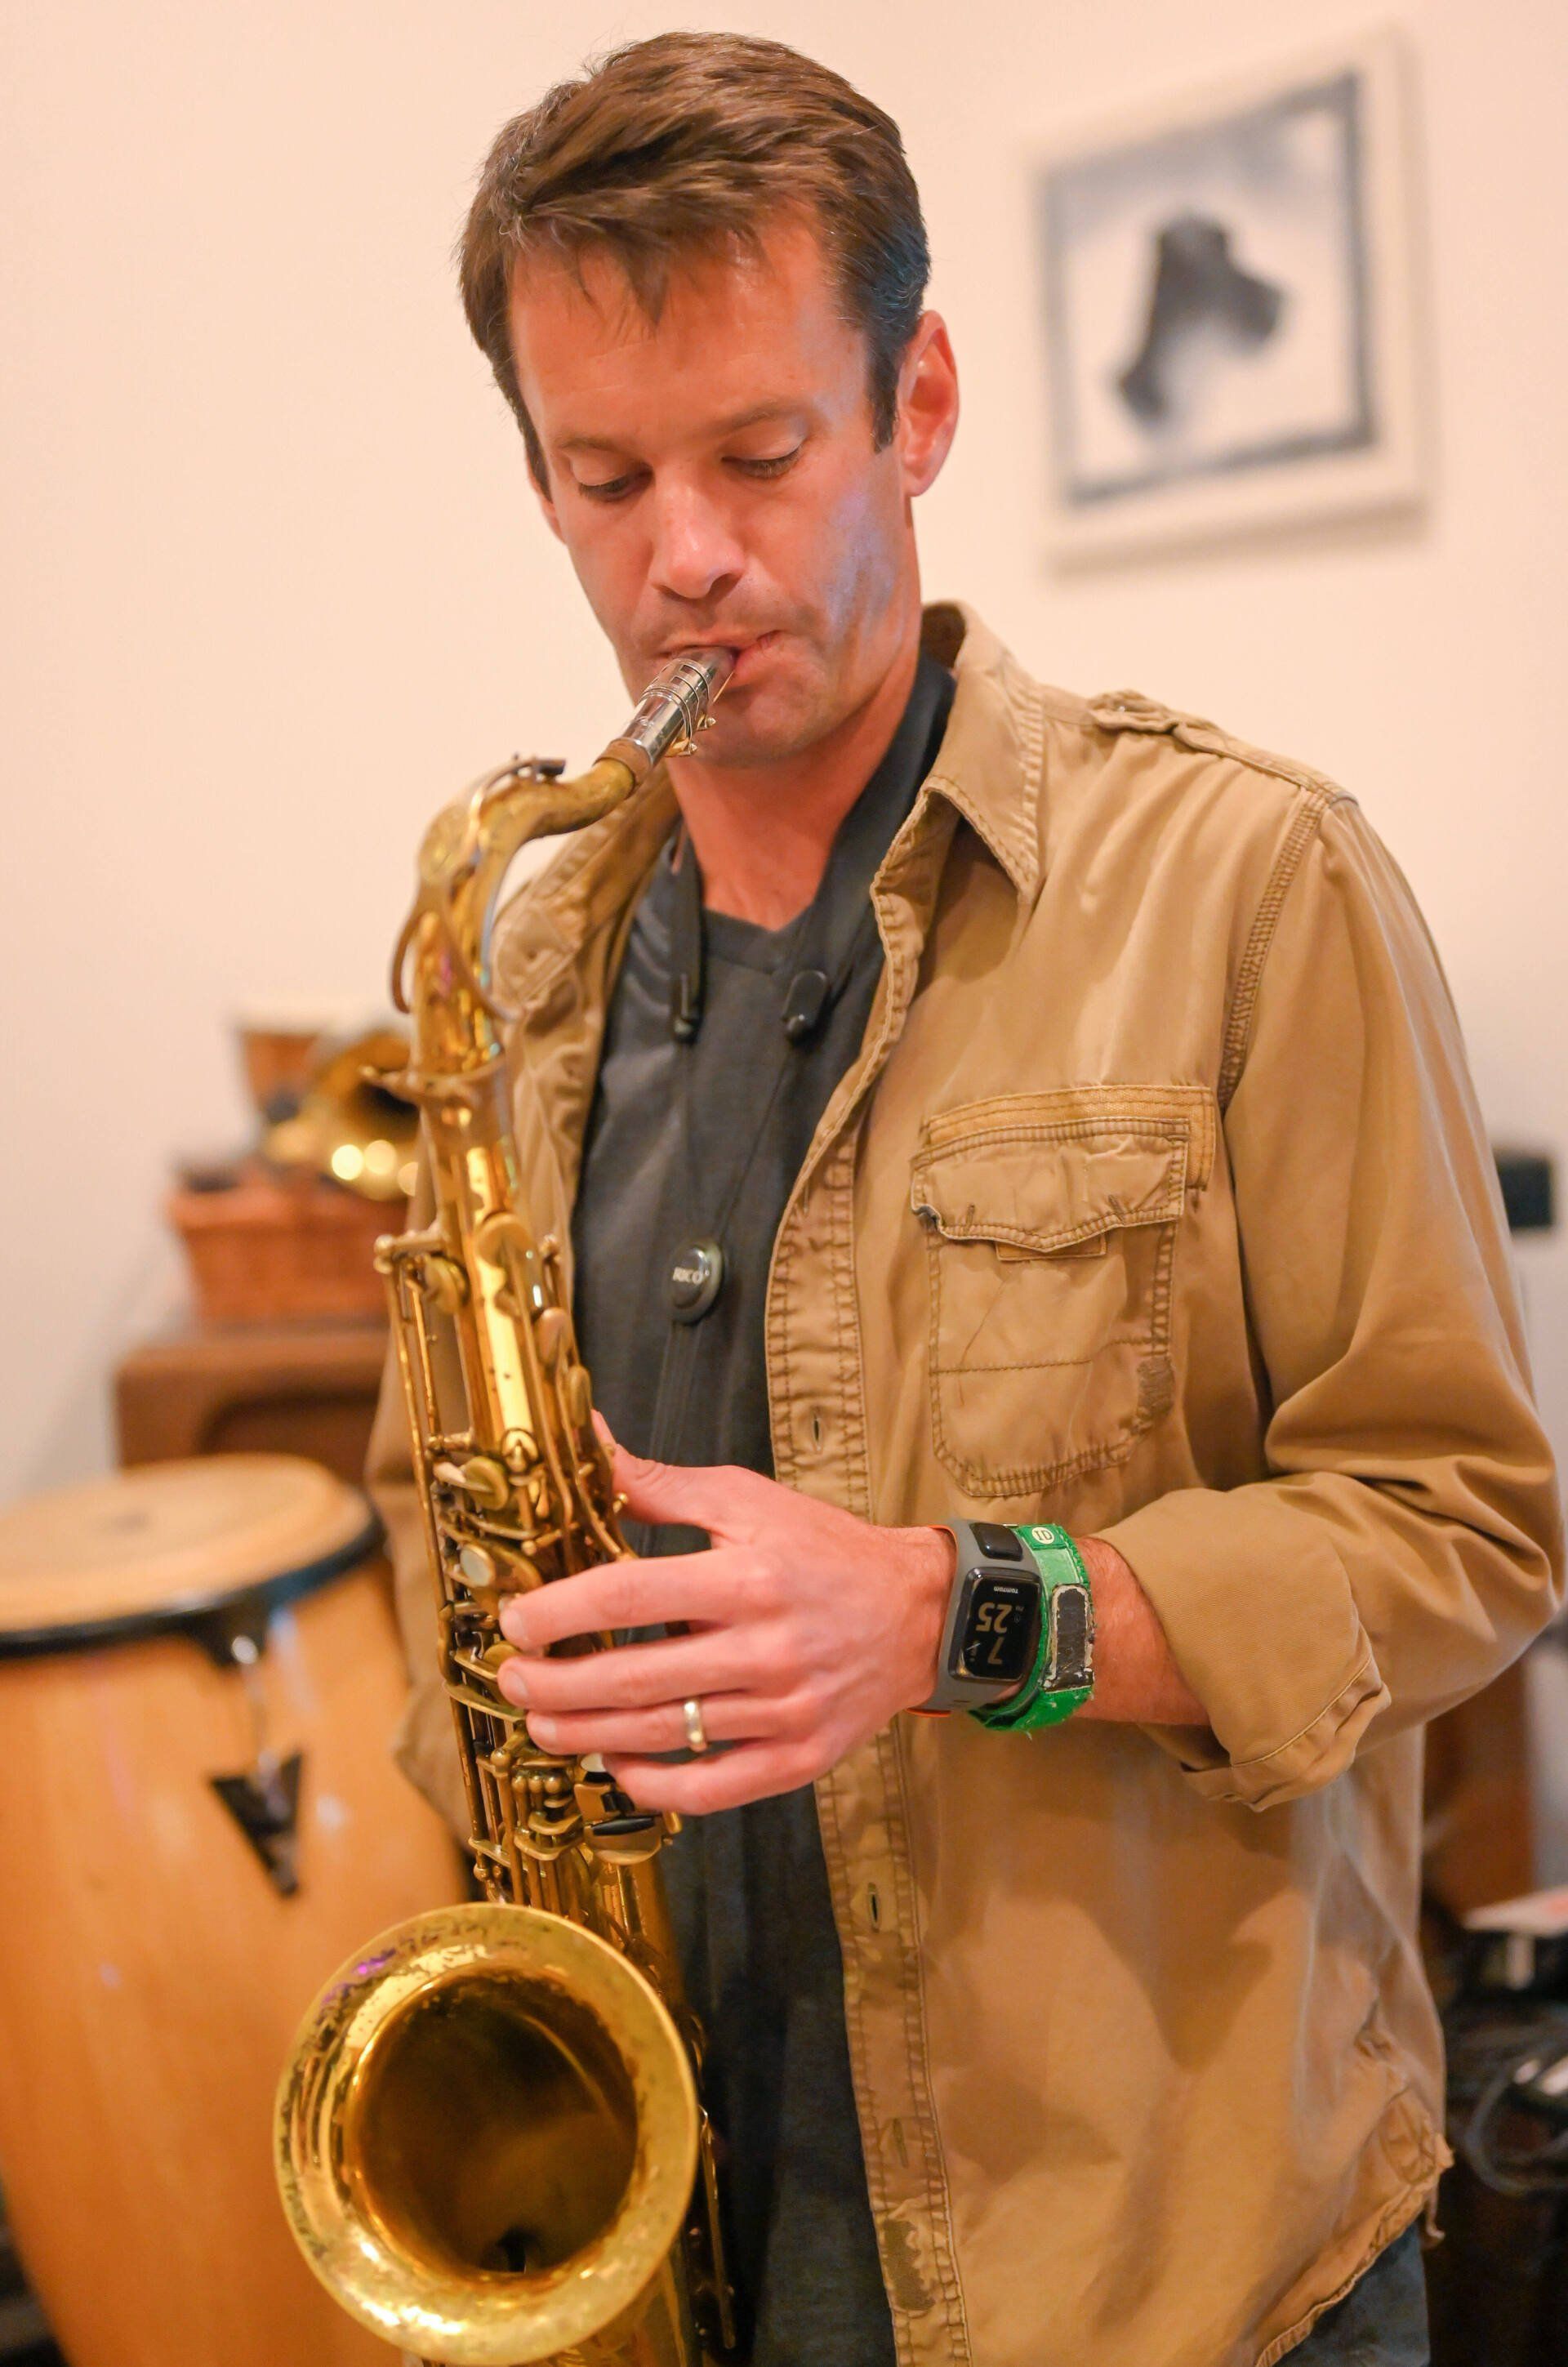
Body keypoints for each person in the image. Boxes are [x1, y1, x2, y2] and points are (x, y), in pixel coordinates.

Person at [368, 32, 1562, 2367]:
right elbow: (444, 1529)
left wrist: (947, 1613)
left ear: (916, 405)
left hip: (1165, 2277)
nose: (683, 556)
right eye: (607, 478)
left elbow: (1465, 1532)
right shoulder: (518, 965)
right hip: (670, 2219)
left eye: (759, 454)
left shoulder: (1248, 880)